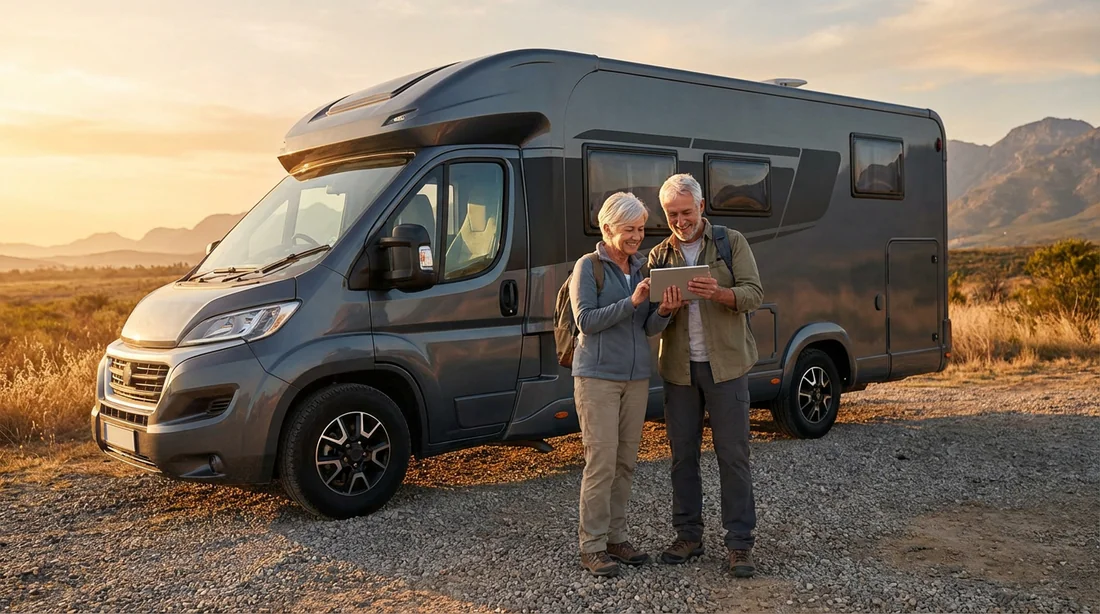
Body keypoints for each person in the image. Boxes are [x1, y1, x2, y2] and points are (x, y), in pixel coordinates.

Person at [646, 173, 764, 578]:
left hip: (727, 367)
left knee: (733, 455)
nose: (680, 221)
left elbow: (754, 293)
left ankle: (739, 544)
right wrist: (665, 309)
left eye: (686, 212)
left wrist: (720, 294)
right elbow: (649, 324)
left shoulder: (731, 244)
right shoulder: (659, 256)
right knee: (683, 458)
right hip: (679, 372)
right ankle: (689, 536)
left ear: (701, 208)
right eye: (672, 214)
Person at [570, 191, 681, 577]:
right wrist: (632, 302)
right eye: (629, 229)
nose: (637, 237)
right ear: (607, 228)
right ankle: (592, 545)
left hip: (635, 380)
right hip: (597, 379)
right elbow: (585, 320)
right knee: (600, 463)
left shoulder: (642, 268)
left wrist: (663, 311)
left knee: (626, 463)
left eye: (640, 229)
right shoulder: (588, 267)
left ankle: (616, 538)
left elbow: (648, 327)